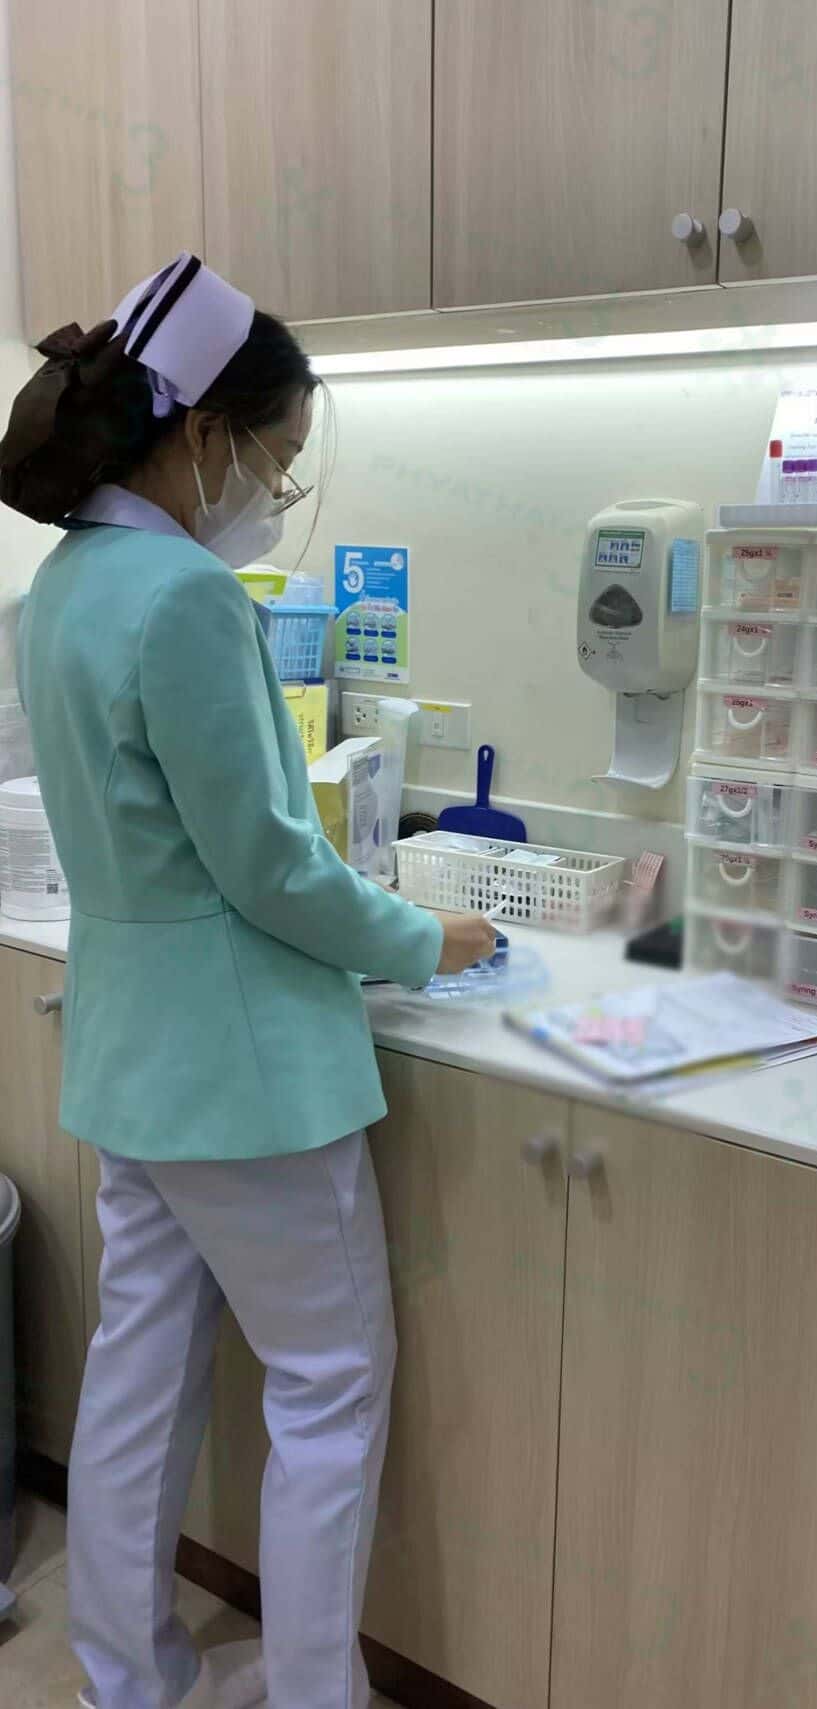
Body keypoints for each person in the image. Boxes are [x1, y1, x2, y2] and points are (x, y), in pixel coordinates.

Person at [2, 254, 495, 1709]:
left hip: (132, 1060)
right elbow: (269, 868)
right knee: (329, 1386)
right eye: (276, 457)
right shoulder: (188, 599)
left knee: (138, 1373)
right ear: (206, 432)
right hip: (247, 1078)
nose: (276, 489)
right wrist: (427, 937)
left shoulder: (59, 588)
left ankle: (126, 1678)